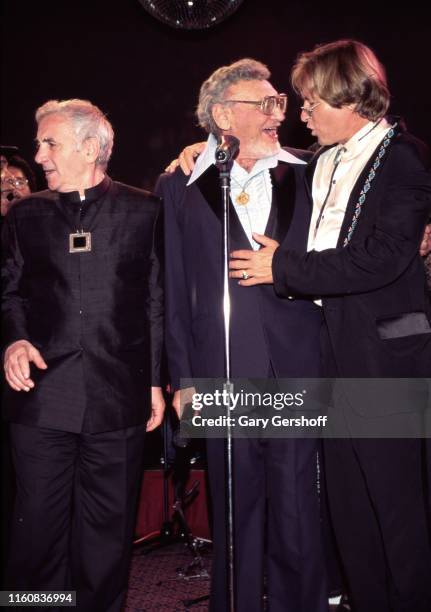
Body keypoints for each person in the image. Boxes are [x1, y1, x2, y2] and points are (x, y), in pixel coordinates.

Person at [227, 40, 431, 612]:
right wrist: (205, 149)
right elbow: (256, 163)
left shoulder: (404, 157)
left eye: (314, 101)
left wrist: (283, 268)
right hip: (328, 351)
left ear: (353, 98)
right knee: (348, 505)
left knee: (395, 506)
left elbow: (383, 256)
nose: (304, 113)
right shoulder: (318, 160)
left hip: (384, 357)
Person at [157, 59, 328, 612]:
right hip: (222, 364)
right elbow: (174, 290)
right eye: (269, 104)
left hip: (294, 364)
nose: (281, 113)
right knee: (235, 505)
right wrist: (183, 381)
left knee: (298, 506)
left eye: (281, 102)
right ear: (225, 114)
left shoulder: (312, 169)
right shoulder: (178, 182)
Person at [1, 98, 165, 611]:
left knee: (107, 535)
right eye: (39, 143)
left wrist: (156, 381)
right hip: (41, 396)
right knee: (36, 534)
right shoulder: (25, 214)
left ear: (90, 147)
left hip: (118, 397)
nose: (40, 155)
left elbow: (157, 301)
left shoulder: (145, 211)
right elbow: (7, 292)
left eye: (49, 143)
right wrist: (14, 339)